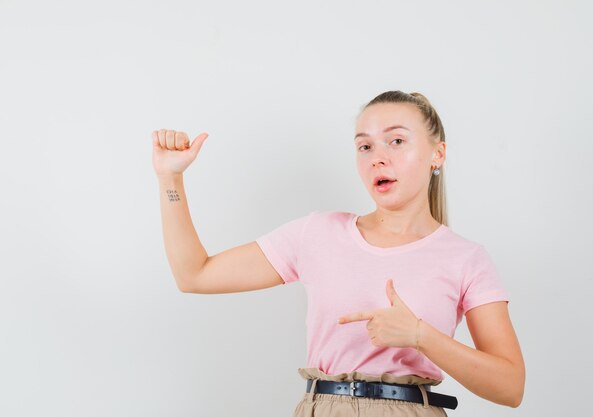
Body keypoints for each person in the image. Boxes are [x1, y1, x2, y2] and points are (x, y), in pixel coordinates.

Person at [152, 90, 525, 416]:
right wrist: (171, 179)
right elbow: (194, 275)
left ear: (437, 154)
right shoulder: (317, 233)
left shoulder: (466, 258)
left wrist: (419, 335)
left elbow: (510, 387)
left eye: (396, 141)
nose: (377, 157)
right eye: (365, 146)